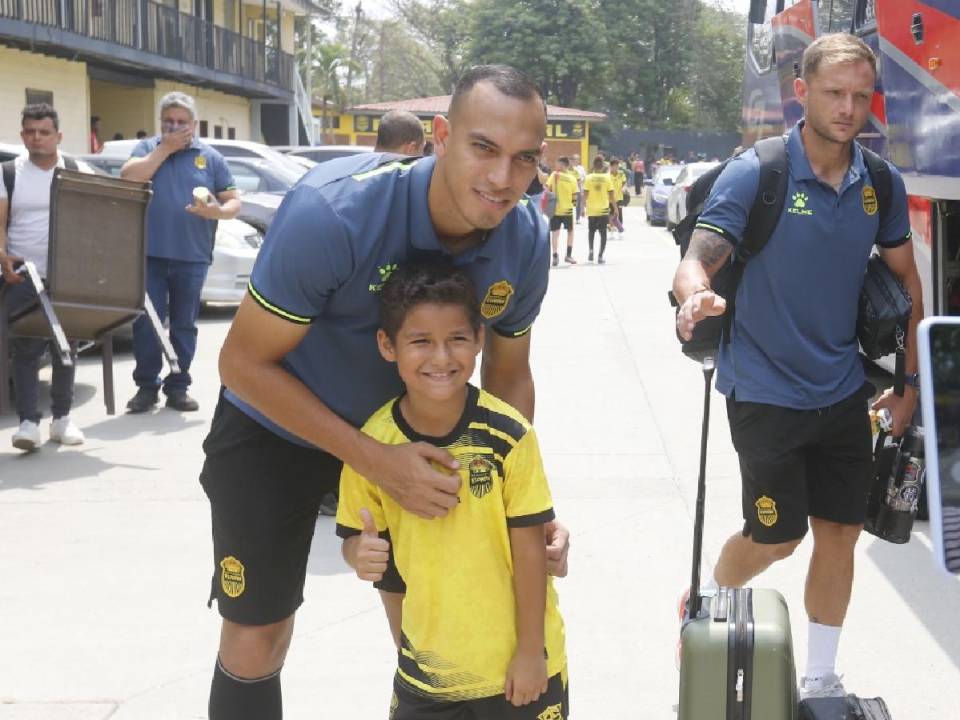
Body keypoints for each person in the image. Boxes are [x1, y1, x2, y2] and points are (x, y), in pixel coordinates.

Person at [198, 64, 570, 719]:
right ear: (441, 135)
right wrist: (374, 462)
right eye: (484, 148)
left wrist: (526, 505)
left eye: (524, 160)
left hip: (416, 436)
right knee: (259, 636)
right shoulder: (334, 212)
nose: (503, 178)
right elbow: (242, 364)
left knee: (442, 637)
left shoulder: (525, 239)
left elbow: (508, 378)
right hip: (276, 429)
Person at [672, 33, 923, 699]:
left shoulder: (880, 182)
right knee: (776, 536)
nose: (848, 107)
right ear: (801, 93)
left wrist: (909, 383)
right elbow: (699, 255)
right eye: (834, 93)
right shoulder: (760, 172)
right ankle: (711, 595)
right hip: (763, 391)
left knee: (838, 532)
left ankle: (820, 677)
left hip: (843, 391)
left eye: (860, 96)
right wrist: (694, 290)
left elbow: (908, 289)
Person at [338, 261, 568, 719]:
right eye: (420, 341)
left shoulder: (509, 435)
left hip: (518, 669)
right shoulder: (373, 445)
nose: (441, 358)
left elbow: (530, 550)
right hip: (427, 674)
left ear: (480, 340)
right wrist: (356, 555)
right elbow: (355, 535)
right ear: (388, 346)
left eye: (457, 339)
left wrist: (530, 652)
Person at [121, 91, 240, 413]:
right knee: (148, 323)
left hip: (192, 255)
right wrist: (165, 149)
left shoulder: (210, 157)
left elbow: (232, 201)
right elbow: (129, 177)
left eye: (181, 123)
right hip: (150, 255)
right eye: (168, 122)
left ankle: (178, 385)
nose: (174, 127)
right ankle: (146, 387)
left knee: (184, 324)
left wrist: (219, 211)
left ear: (194, 124)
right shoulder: (147, 149)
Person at [0, 104, 87, 451]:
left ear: (58, 136)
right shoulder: (9, 172)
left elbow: (92, 220)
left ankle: (62, 420)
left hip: (68, 276)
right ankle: (28, 424)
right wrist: (2, 255)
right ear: (22, 135)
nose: (36, 138)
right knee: (25, 348)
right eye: (29, 132)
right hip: (23, 275)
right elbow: (0, 224)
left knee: (67, 347)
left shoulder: (75, 169)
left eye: (43, 132)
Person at [546, 156, 578, 266]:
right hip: (568, 210)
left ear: (563, 165)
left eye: (557, 164)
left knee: (555, 233)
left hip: (555, 210)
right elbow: (574, 196)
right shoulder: (572, 178)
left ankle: (555, 257)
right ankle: (568, 255)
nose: (555, 166)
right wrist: (573, 205)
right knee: (570, 232)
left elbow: (547, 189)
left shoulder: (554, 175)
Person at [582, 155, 615, 264]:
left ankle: (591, 250)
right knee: (603, 233)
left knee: (591, 231)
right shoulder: (607, 178)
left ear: (593, 165)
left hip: (591, 209)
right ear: (602, 166)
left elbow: (585, 194)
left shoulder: (588, 177)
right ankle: (600, 255)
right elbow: (611, 195)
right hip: (603, 209)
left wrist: (582, 208)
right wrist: (615, 208)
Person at [608, 157, 626, 238]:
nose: (616, 167)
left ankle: (620, 231)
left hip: (619, 198)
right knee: (611, 215)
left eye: (617, 165)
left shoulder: (621, 174)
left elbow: (624, 182)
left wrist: (623, 188)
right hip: (610, 199)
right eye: (614, 166)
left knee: (619, 214)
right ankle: (611, 230)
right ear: (611, 166)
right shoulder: (607, 176)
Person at [571, 153, 586, 223]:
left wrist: (583, 189)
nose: (577, 160)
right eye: (575, 159)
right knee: (570, 204)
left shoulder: (581, 168)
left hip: (579, 188)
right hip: (570, 189)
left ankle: (577, 218)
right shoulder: (570, 168)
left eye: (578, 159)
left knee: (578, 204)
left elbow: (584, 178)